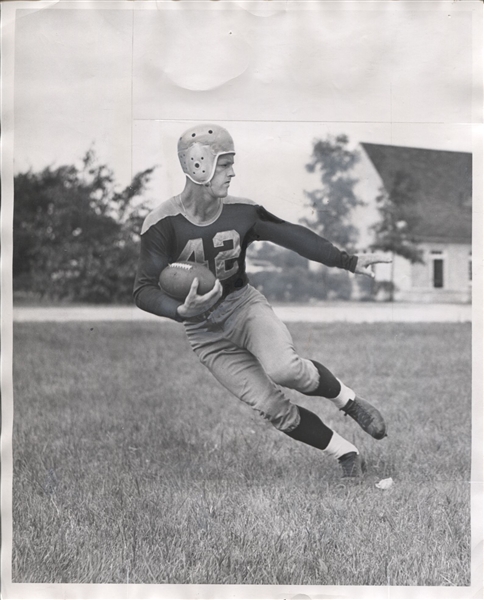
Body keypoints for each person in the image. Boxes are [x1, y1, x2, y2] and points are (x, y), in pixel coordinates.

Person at [134, 124, 390, 478]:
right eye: (225, 164)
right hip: (203, 331)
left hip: (244, 307)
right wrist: (180, 311)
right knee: (271, 406)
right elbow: (144, 289)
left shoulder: (242, 211)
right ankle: (346, 454)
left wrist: (348, 261)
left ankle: (349, 401)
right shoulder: (162, 223)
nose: (232, 172)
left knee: (285, 369)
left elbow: (293, 236)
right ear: (198, 165)